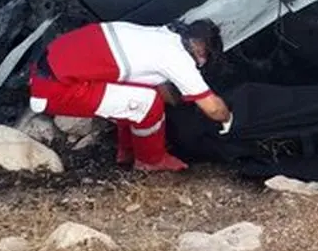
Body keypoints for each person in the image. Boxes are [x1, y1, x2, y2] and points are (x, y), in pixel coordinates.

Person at [28, 18, 232, 173]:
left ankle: (127, 151)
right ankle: (151, 162)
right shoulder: (177, 59)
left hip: (48, 70)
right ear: (202, 53)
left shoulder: (158, 36)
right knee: (148, 104)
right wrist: (228, 119)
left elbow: (158, 86)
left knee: (138, 95)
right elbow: (212, 108)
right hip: (58, 89)